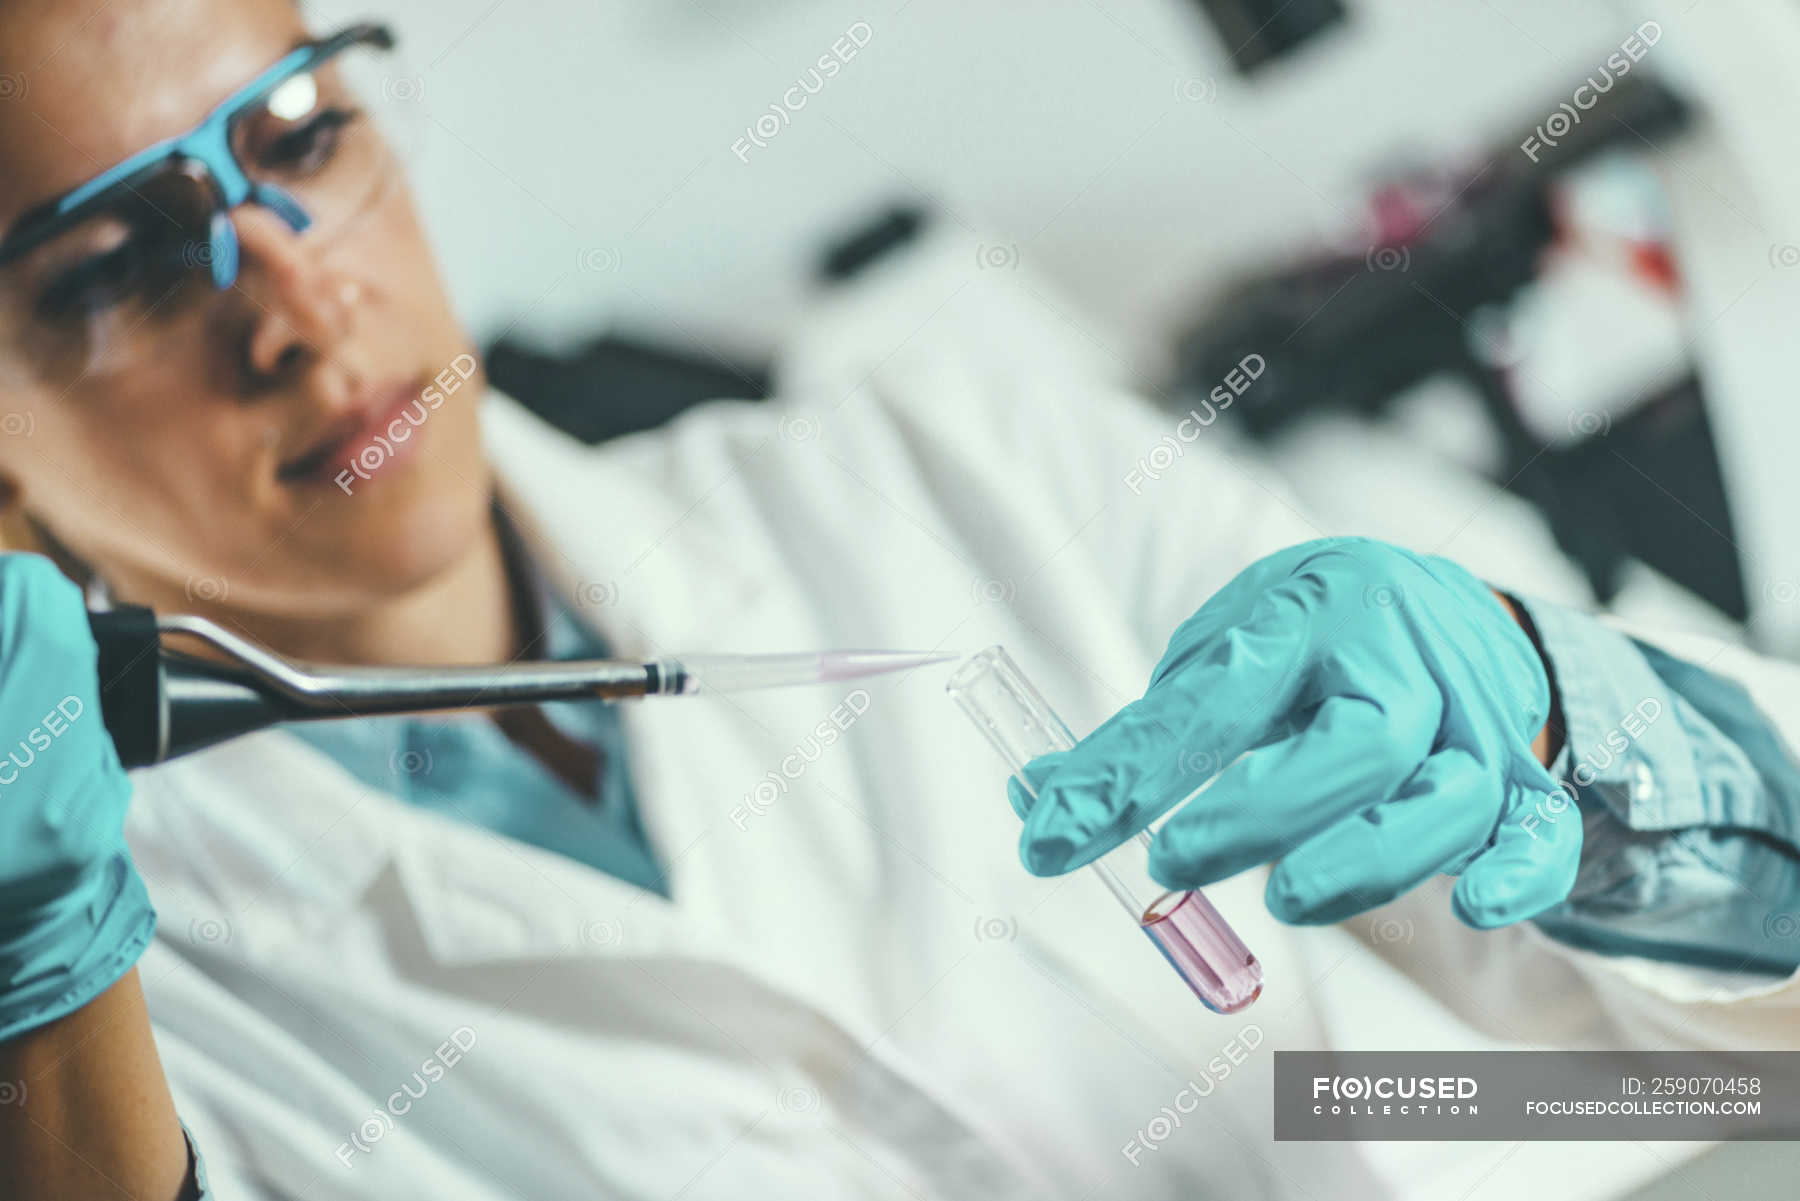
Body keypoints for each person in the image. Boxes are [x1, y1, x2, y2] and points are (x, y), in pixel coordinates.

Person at [1, 2, 1797, 1198]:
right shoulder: (113, 1014)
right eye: (117, 262)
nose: (295, 307)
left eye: (302, 135)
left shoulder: (950, 475)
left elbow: (1693, 1057)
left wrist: (1592, 735)